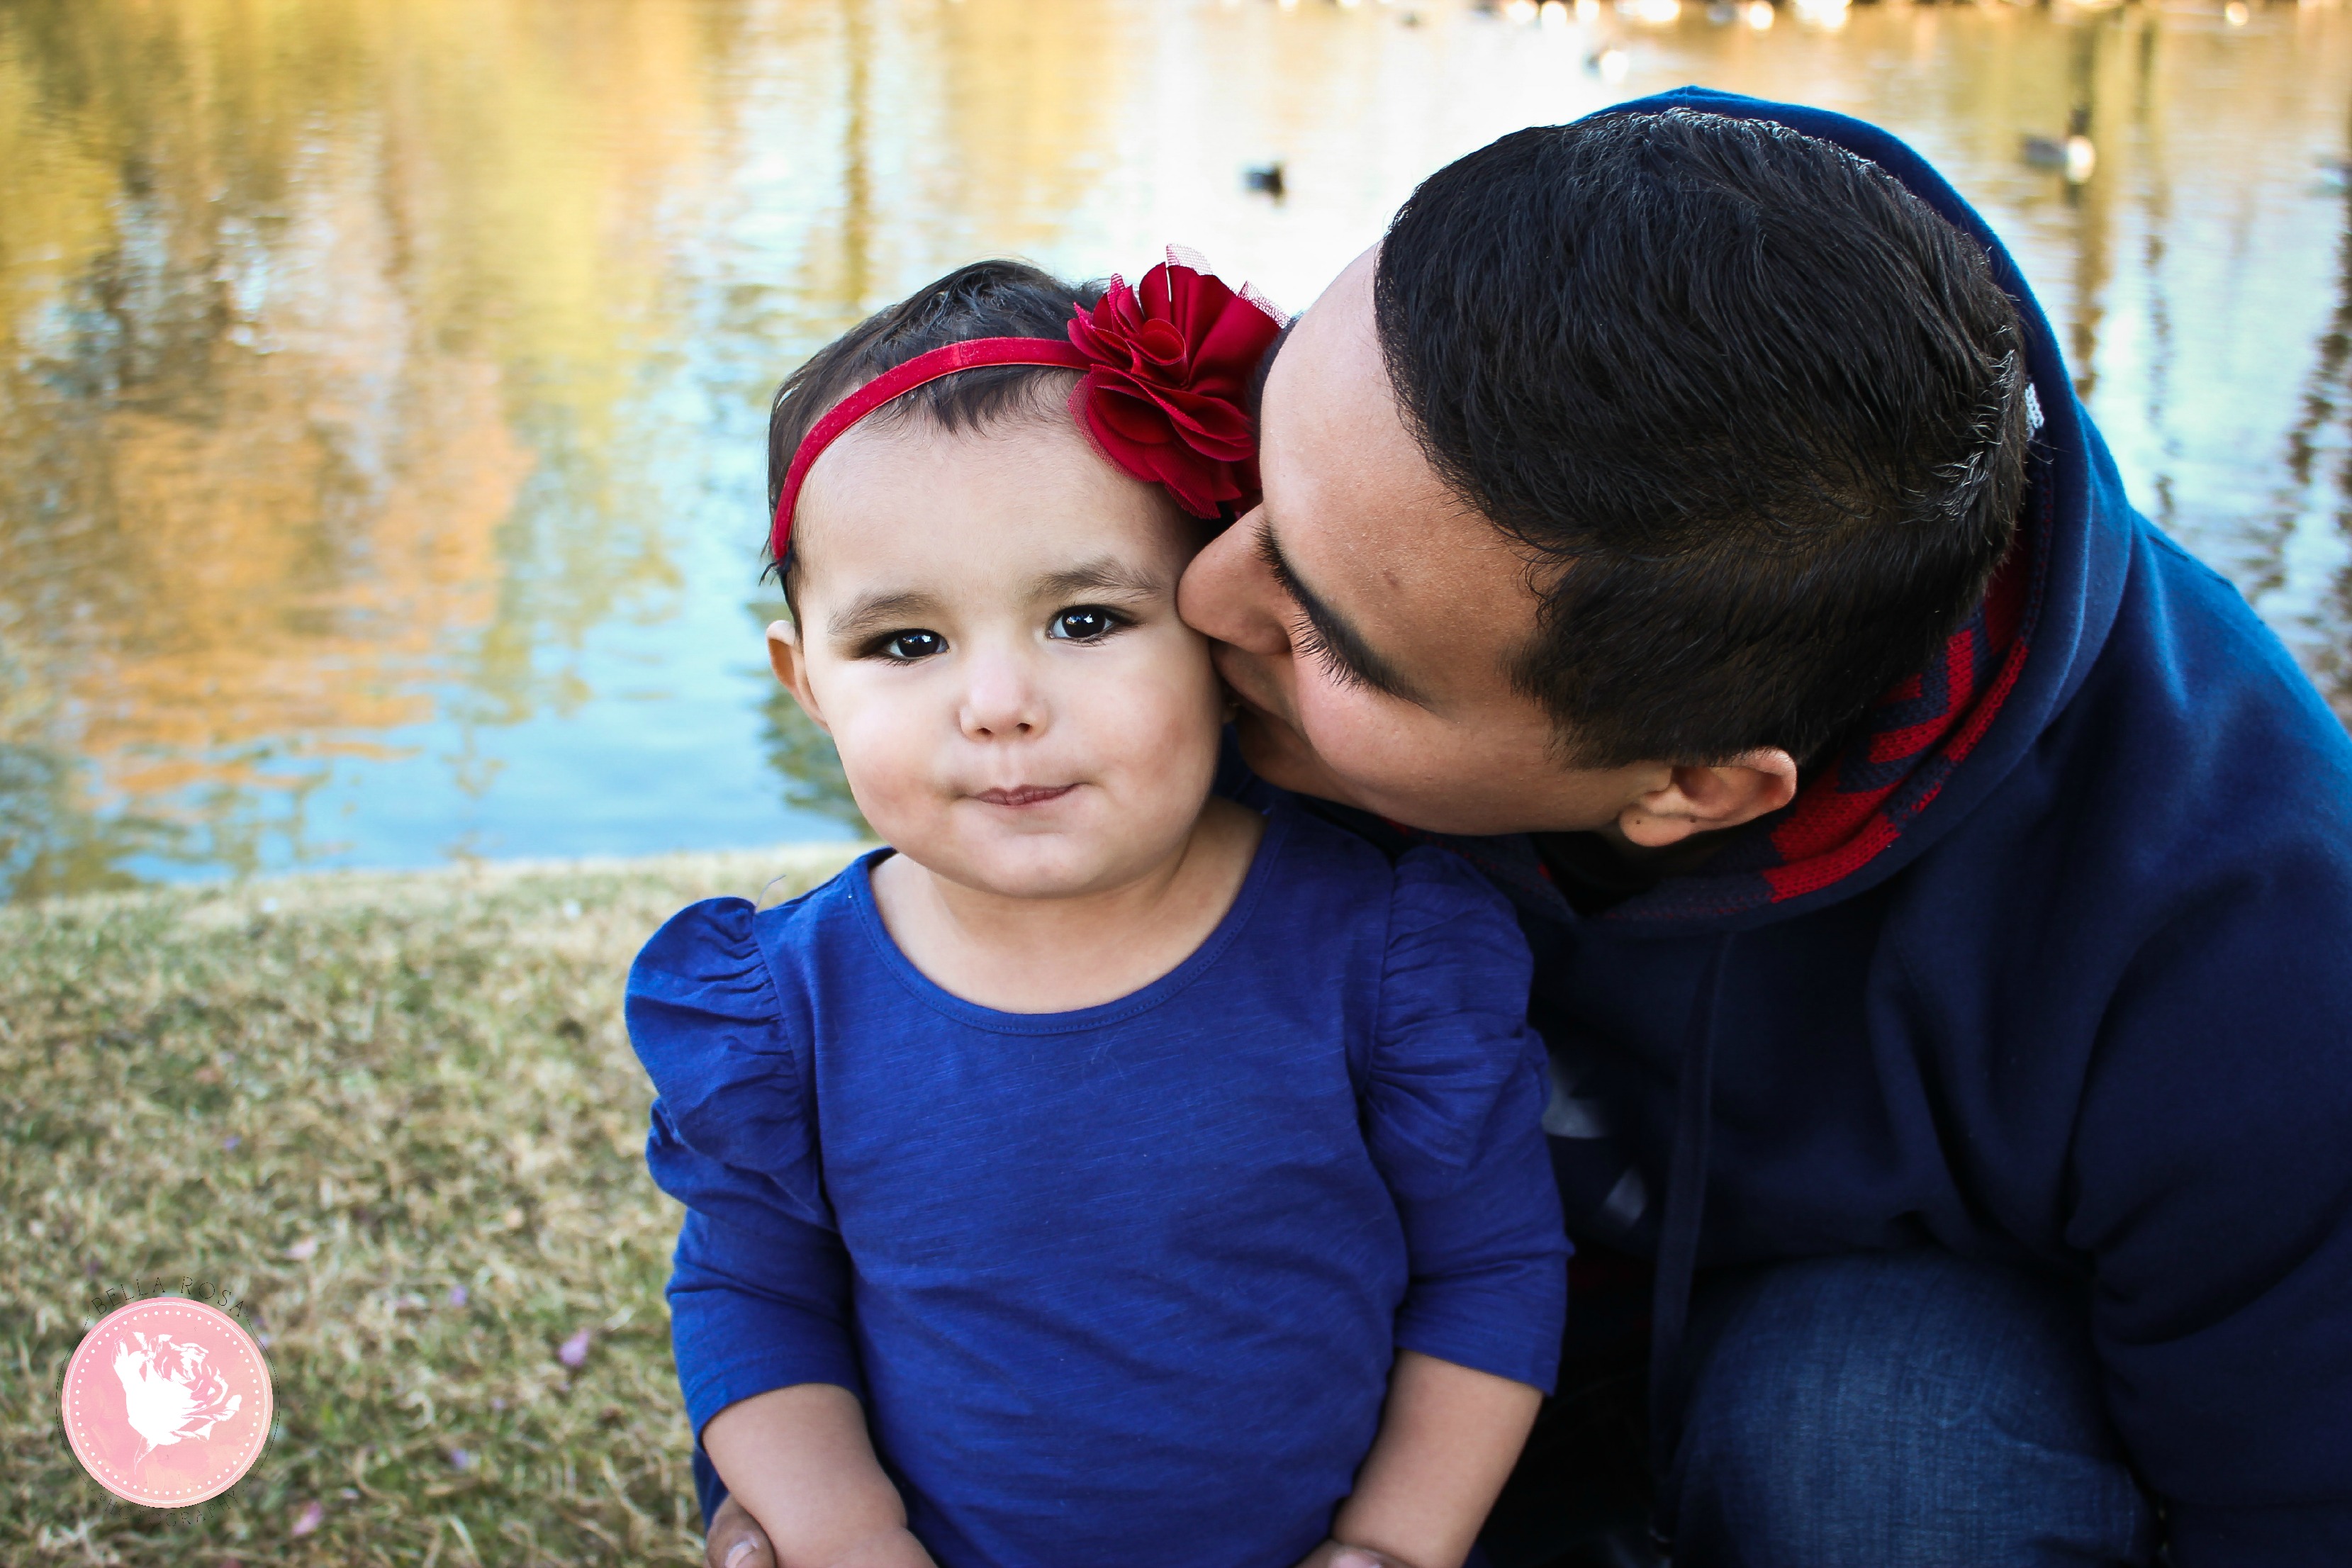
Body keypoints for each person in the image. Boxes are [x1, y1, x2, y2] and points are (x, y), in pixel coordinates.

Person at [1166, 91, 2352, 1567]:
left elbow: (2294, 1507)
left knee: (1884, 1429)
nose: (1197, 594)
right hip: (1333, 1345)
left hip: (1823, 1374)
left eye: (1327, 641)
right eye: (1260, 467)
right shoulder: (1335, 518)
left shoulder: (2247, 934)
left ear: (1697, 788)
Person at [625, 254, 1569, 1568]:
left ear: (1219, 637)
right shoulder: (789, 1015)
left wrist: (1392, 1547)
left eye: (1082, 619)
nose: (998, 705)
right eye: (906, 643)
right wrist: (844, 1536)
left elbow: (1489, 1267)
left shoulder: (1377, 957)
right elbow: (749, 1292)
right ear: (808, 683)